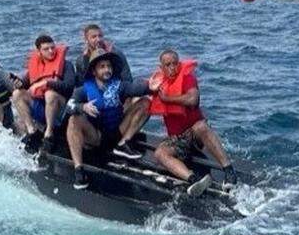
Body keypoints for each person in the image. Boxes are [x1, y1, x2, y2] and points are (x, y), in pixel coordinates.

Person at [67, 50, 211, 195]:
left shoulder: (119, 86)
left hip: (117, 131)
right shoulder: (83, 90)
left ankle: (123, 144)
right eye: (102, 66)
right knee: (74, 120)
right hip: (96, 136)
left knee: (145, 103)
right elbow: (69, 106)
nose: (107, 70)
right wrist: (82, 107)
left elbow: (135, 88)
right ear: (94, 70)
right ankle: (79, 169)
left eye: (109, 66)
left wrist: (150, 87)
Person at [149, 49, 238, 188]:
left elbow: (193, 99)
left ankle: (229, 171)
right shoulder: (158, 84)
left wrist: (167, 99)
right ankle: (193, 180)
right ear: (161, 68)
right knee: (160, 153)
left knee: (201, 126)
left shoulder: (188, 78)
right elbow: (137, 91)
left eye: (175, 64)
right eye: (168, 65)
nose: (172, 67)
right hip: (177, 140)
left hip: (194, 135)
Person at [11, 34, 76, 153]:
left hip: (60, 111)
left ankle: (49, 134)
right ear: (39, 52)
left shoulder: (66, 65)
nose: (51, 51)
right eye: (46, 49)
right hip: (42, 109)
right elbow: (25, 85)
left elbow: (69, 87)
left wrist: (47, 83)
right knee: (17, 94)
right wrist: (19, 83)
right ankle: (32, 131)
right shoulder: (36, 67)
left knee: (49, 94)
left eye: (52, 47)